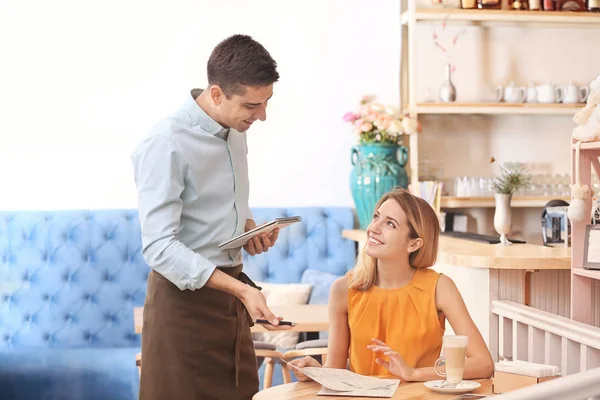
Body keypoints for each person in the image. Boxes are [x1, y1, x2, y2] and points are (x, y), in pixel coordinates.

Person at [131, 34, 291, 400]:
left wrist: (248, 228)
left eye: (267, 103)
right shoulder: (165, 143)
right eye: (252, 105)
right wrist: (240, 289)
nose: (262, 116)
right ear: (217, 94)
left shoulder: (236, 130)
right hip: (182, 311)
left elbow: (223, 203)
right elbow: (158, 246)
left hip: (231, 309)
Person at [289, 187, 494, 382]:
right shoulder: (343, 290)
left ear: (414, 244)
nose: (373, 228)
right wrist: (315, 371)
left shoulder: (439, 287)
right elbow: (336, 369)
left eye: (390, 224)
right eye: (376, 217)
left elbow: (483, 364)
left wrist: (414, 374)